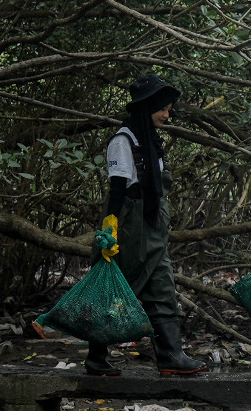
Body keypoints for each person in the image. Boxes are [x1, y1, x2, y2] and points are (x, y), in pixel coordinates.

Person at [87, 74, 206, 377]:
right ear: (147, 106)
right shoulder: (123, 140)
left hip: (153, 229)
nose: (167, 115)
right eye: (163, 108)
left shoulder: (151, 140)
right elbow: (117, 190)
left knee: (163, 288)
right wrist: (109, 230)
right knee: (117, 290)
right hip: (130, 231)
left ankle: (170, 355)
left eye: (169, 109)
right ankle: (96, 356)